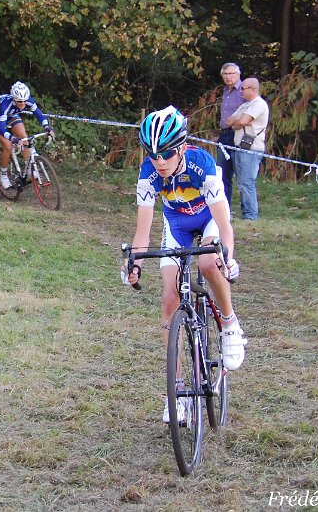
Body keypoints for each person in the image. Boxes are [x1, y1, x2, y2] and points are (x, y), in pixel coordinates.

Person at [122, 106, 246, 424]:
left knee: (207, 263)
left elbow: (224, 224)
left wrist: (227, 257)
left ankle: (230, 323)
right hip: (176, 226)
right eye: (153, 155)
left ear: (181, 147)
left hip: (208, 220)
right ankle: (176, 392)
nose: (159, 161)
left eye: (166, 154)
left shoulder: (202, 164)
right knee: (169, 297)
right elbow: (142, 231)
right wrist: (135, 262)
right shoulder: (148, 173)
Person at [0, 81, 54, 189]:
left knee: (24, 138)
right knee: (8, 146)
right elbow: (2, 129)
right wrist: (12, 138)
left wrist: (47, 127)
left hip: (12, 114)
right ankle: (3, 175)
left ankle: (29, 169)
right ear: (14, 99)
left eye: (24, 101)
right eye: (19, 101)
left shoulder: (28, 101)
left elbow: (39, 114)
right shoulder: (5, 105)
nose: (23, 104)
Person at [226, 76, 269, 220]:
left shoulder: (259, 104)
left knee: (247, 182)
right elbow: (230, 122)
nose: (241, 92)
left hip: (251, 150)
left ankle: (250, 215)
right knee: (241, 182)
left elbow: (241, 122)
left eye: (243, 89)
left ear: (253, 89)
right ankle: (246, 212)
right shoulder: (245, 105)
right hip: (240, 147)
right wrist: (241, 122)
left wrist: (241, 122)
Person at [216, 63, 243, 208]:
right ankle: (224, 207)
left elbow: (250, 112)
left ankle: (248, 211)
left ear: (238, 74)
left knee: (242, 174)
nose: (228, 77)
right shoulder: (225, 91)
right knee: (222, 173)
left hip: (238, 134)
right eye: (225, 74)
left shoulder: (244, 90)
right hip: (224, 135)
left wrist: (236, 122)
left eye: (231, 74)